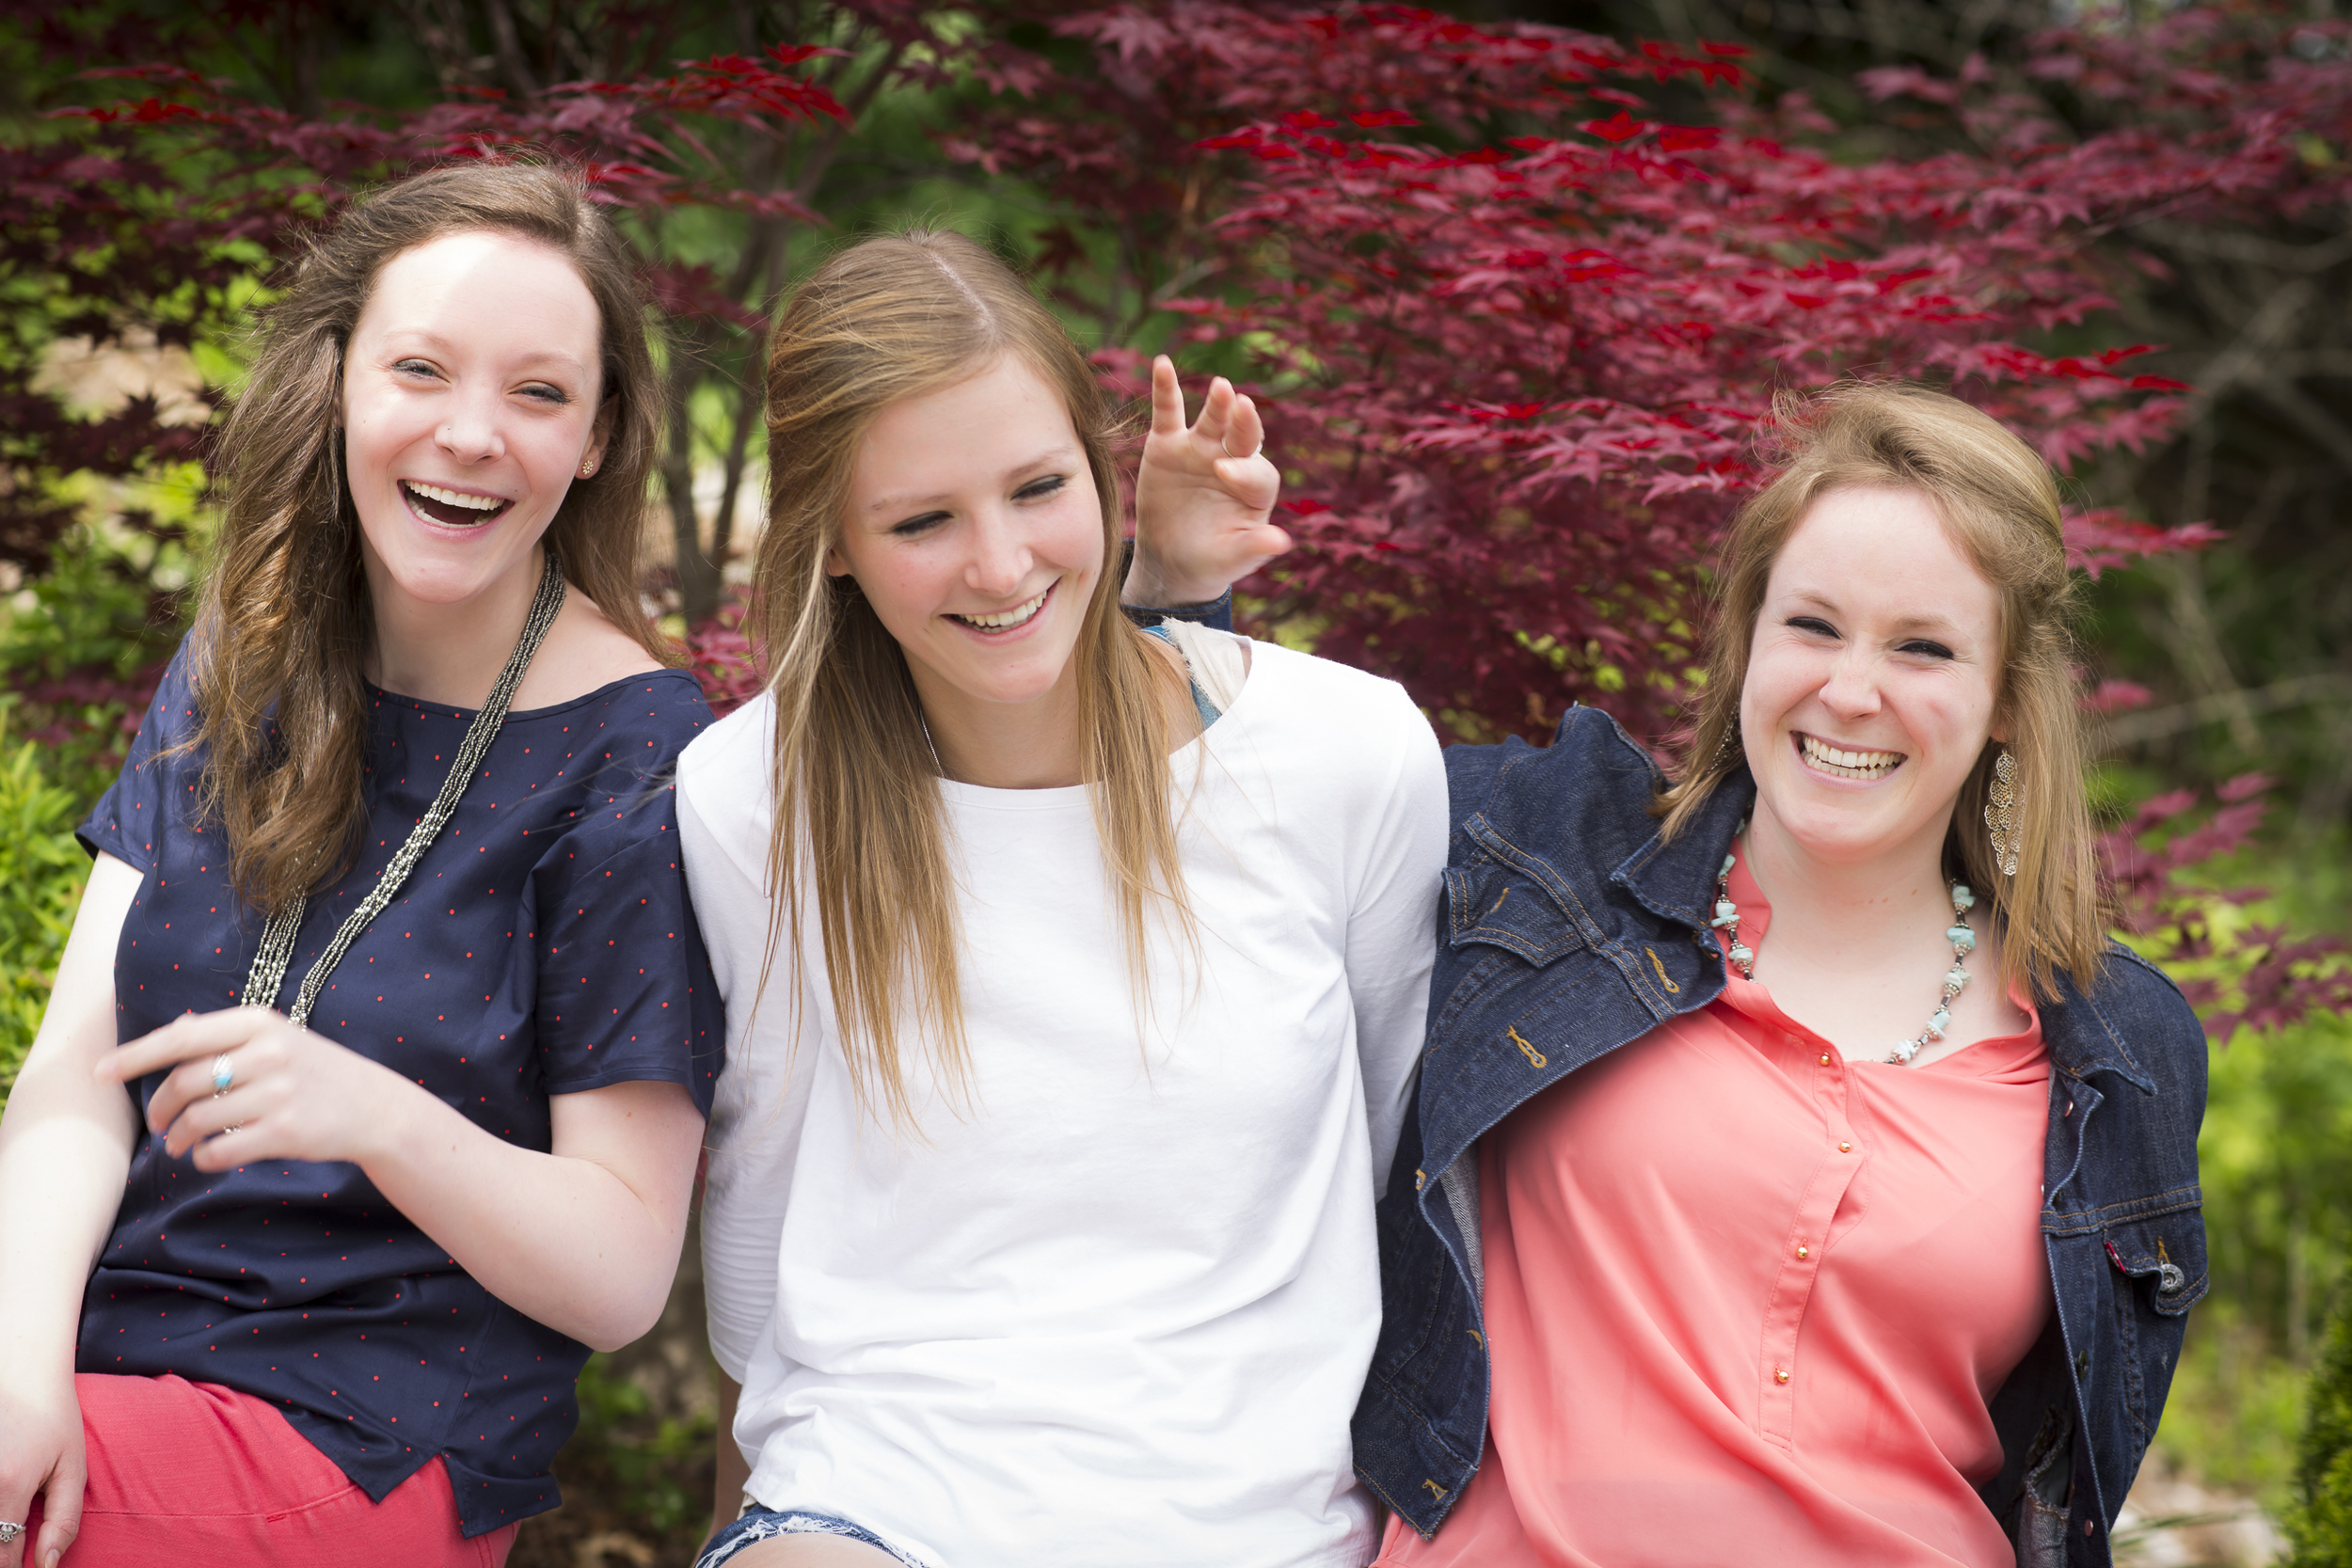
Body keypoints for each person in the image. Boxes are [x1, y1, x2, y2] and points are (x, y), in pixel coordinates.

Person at [1132, 382, 2208, 1568]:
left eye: (1922, 646)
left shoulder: (2119, 1045)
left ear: (2004, 696)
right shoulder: (1545, 856)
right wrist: (1176, 597)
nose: (1851, 689)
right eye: (1811, 625)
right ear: (1747, 637)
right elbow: (1240, 808)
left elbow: (2066, 1469)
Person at [679, 229, 1450, 1568]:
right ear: (837, 548)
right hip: (877, 1497)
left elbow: (1396, 1148)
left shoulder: (1346, 758)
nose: (999, 563)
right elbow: (759, 1256)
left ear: (1105, 476)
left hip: (1253, 1516)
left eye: (1038, 487)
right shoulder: (753, 800)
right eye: (922, 520)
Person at [0, 162, 723, 1568]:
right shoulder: (241, 655)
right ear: (339, 384)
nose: (470, 434)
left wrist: (374, 1113)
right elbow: (68, 1091)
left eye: (538, 391)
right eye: (420, 369)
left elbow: (622, 1268)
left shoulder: (635, 758)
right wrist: (21, 1369)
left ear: (597, 436)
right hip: (92, 1364)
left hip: (362, 1433)